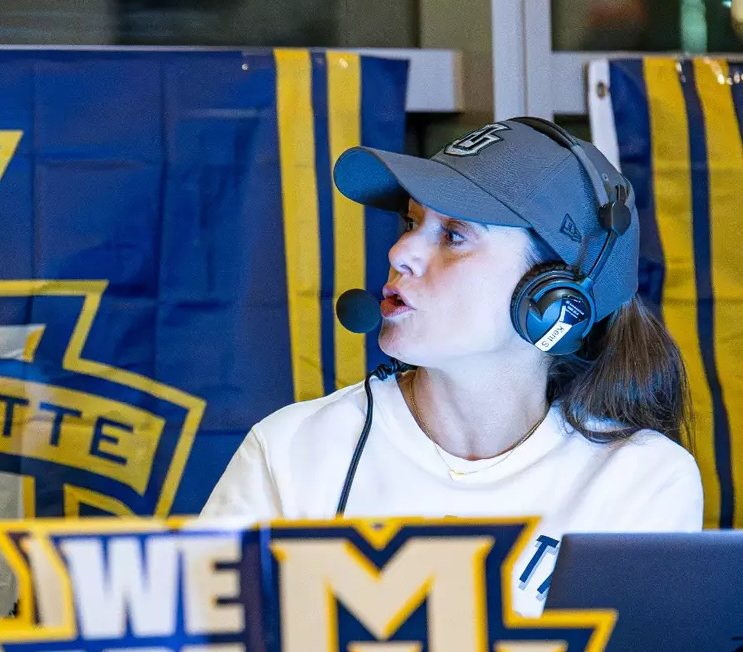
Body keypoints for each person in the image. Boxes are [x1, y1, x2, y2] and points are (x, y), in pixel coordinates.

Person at [200, 118, 701, 615]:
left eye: (454, 235)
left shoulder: (641, 479)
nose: (401, 252)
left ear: (554, 299)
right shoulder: (291, 450)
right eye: (413, 222)